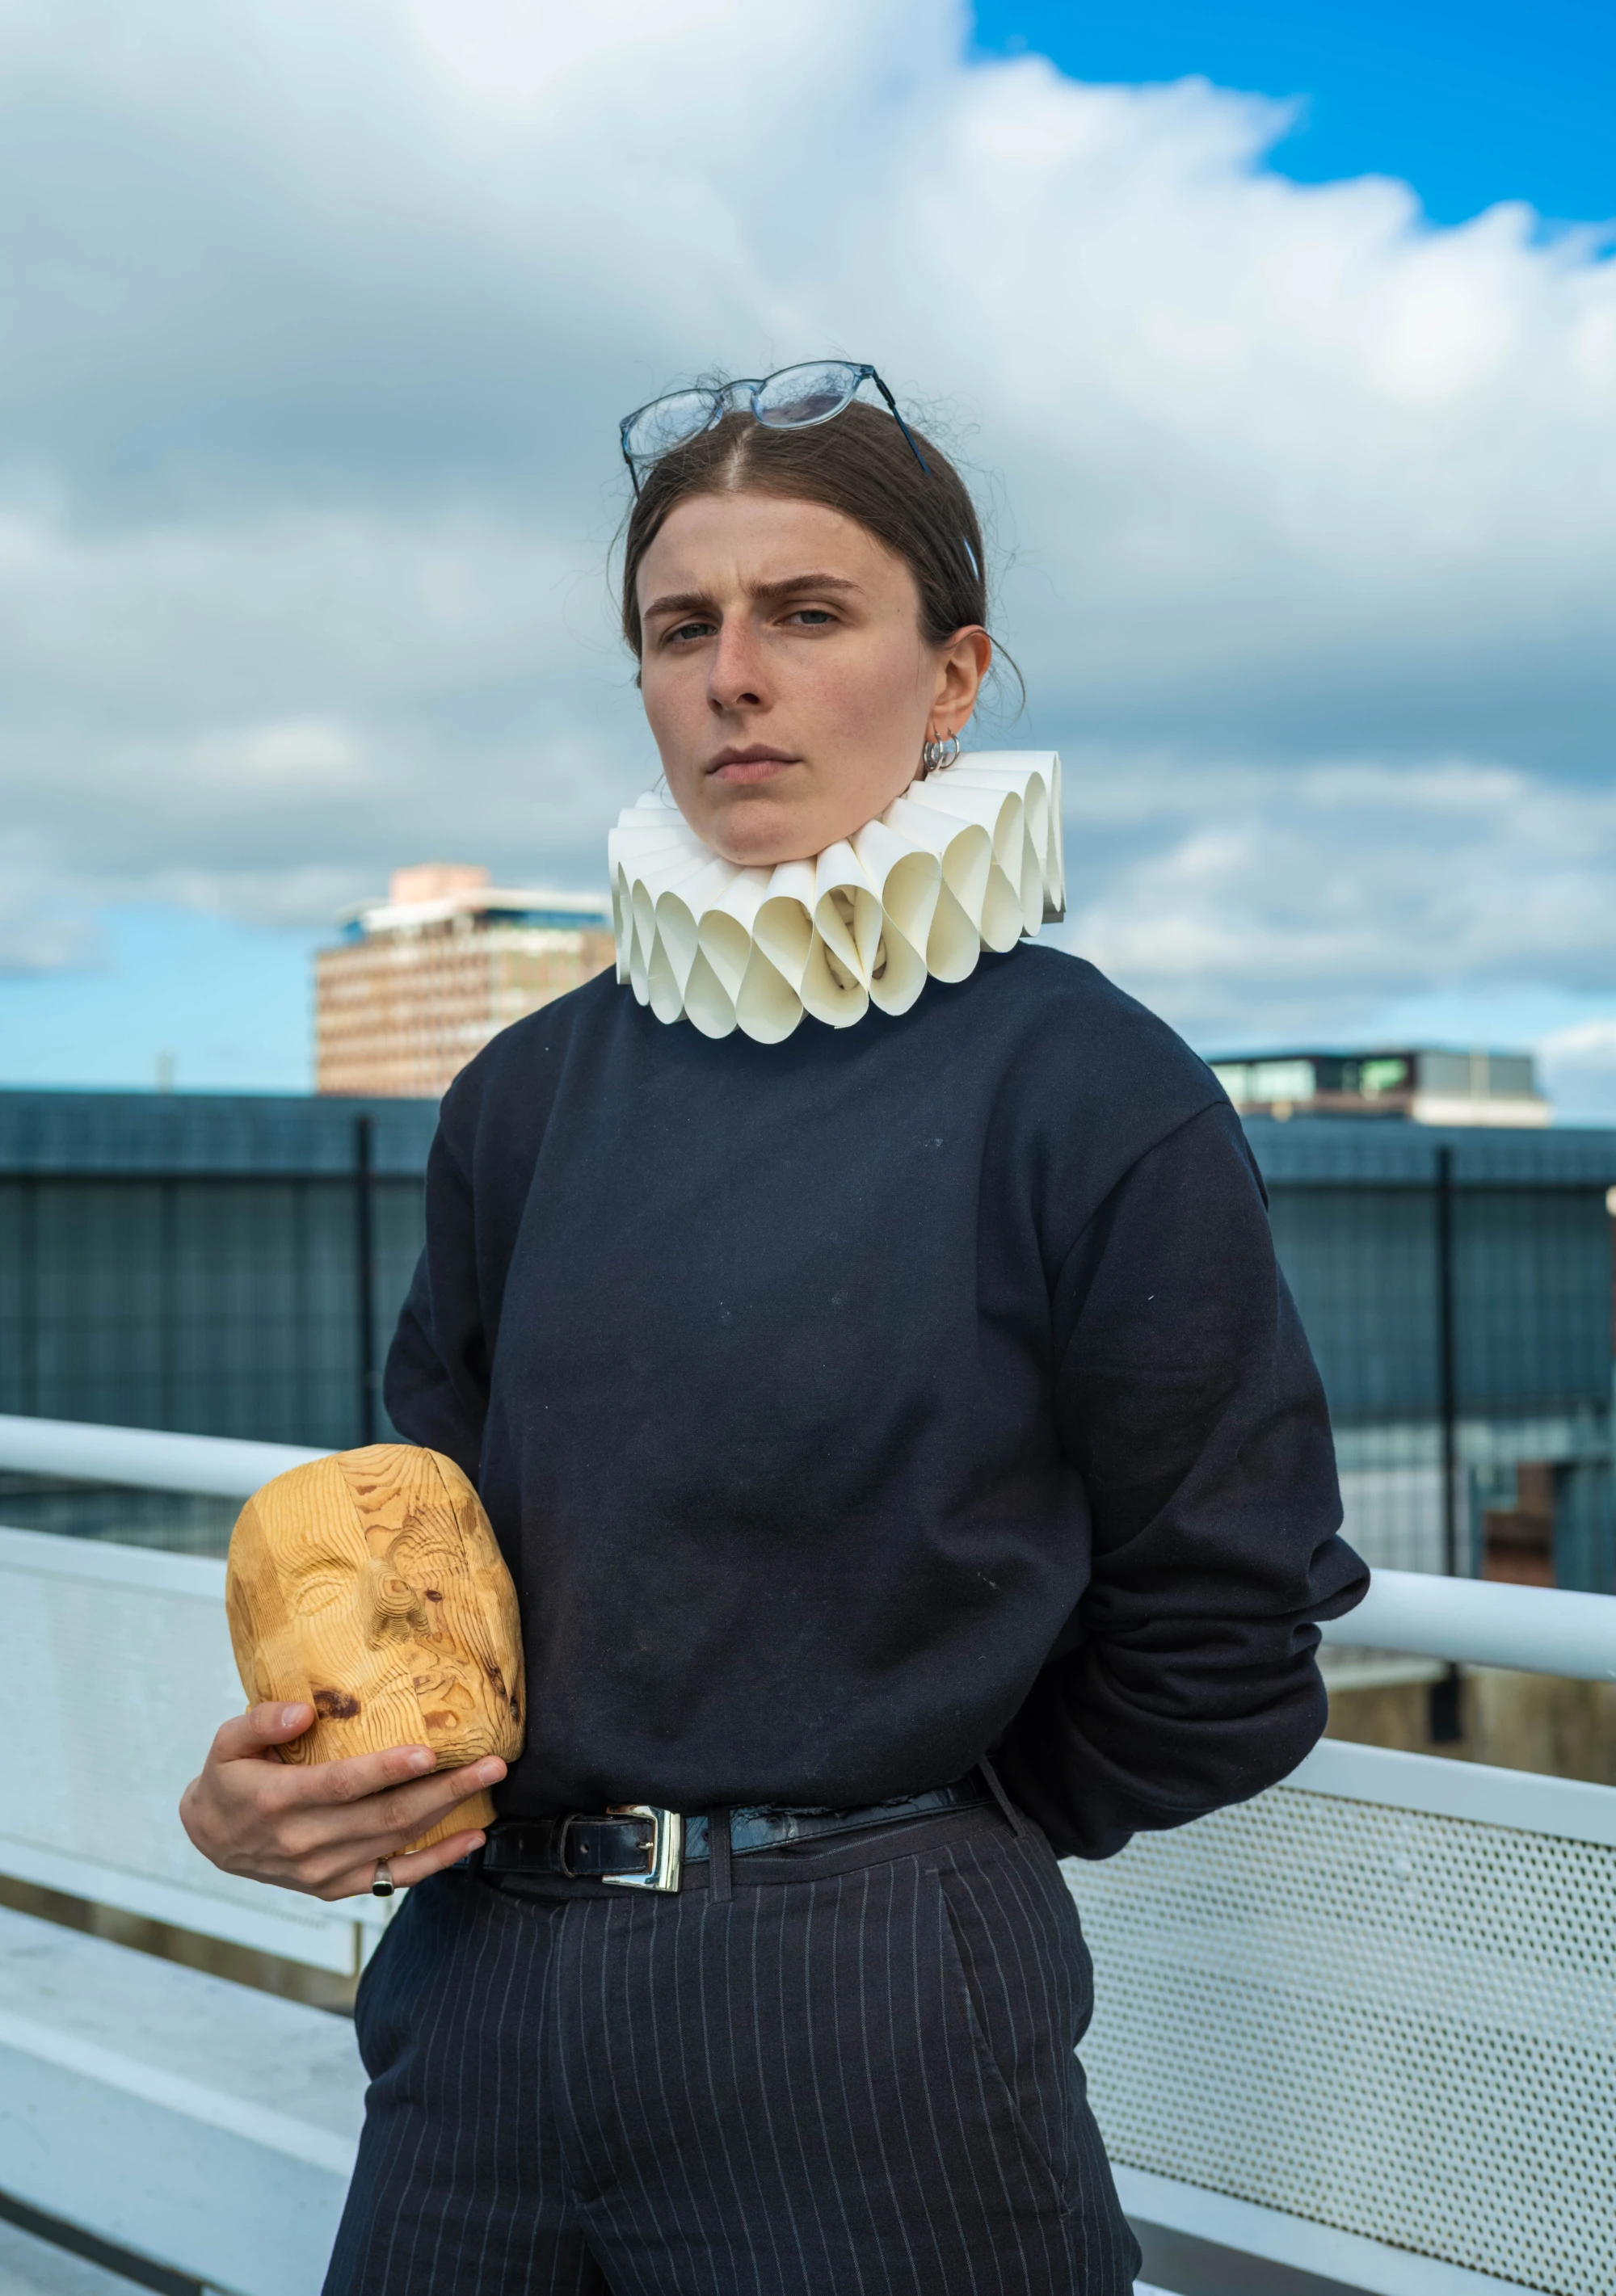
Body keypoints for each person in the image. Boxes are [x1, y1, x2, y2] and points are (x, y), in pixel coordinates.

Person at [182, 361, 1367, 2294]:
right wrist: (290, 1794)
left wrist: (909, 1835)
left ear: (954, 675)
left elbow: (1225, 1631)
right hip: (481, 2000)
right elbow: (427, 1574)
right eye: (680, 626)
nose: (732, 673)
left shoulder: (1091, 1090)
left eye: (806, 615)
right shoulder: (522, 1096)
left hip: (873, 2028)